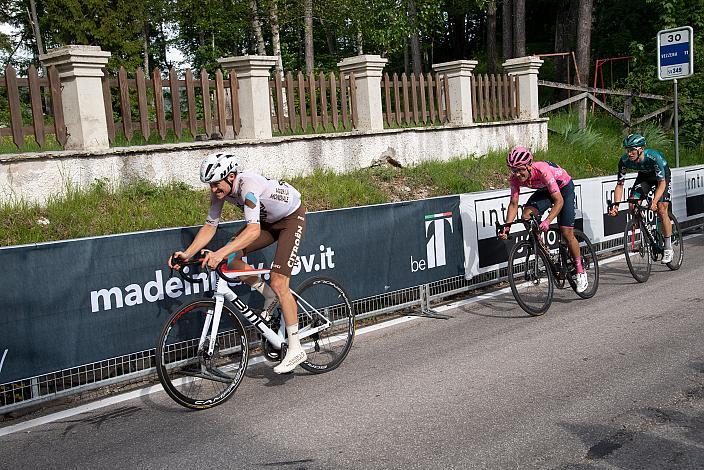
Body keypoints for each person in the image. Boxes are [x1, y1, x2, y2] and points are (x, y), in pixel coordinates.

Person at [168, 152, 308, 374]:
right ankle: (269, 295)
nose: (213, 190)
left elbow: (252, 232)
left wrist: (220, 252)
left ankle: (296, 348)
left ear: (231, 176)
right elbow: (210, 226)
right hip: (267, 221)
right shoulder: (220, 192)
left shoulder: (248, 186)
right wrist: (187, 253)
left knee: (279, 281)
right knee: (232, 262)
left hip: (290, 219)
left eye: (216, 184)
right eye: (210, 185)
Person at [498, 146, 588, 293]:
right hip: (544, 190)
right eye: (514, 170)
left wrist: (547, 220)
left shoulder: (542, 170)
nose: (518, 174)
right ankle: (540, 246)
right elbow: (513, 204)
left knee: (566, 232)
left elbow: (558, 201)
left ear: (528, 165)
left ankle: (580, 271)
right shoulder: (514, 179)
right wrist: (507, 227)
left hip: (564, 188)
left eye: (520, 169)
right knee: (526, 216)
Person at [607, 133, 673, 263]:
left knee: (661, 209)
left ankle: (668, 247)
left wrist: (654, 202)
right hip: (644, 178)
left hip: (661, 178)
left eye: (632, 150)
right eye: (627, 150)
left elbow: (662, 184)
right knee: (632, 204)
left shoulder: (654, 157)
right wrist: (616, 206)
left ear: (641, 149)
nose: (629, 153)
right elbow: (620, 185)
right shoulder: (624, 161)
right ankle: (645, 230)